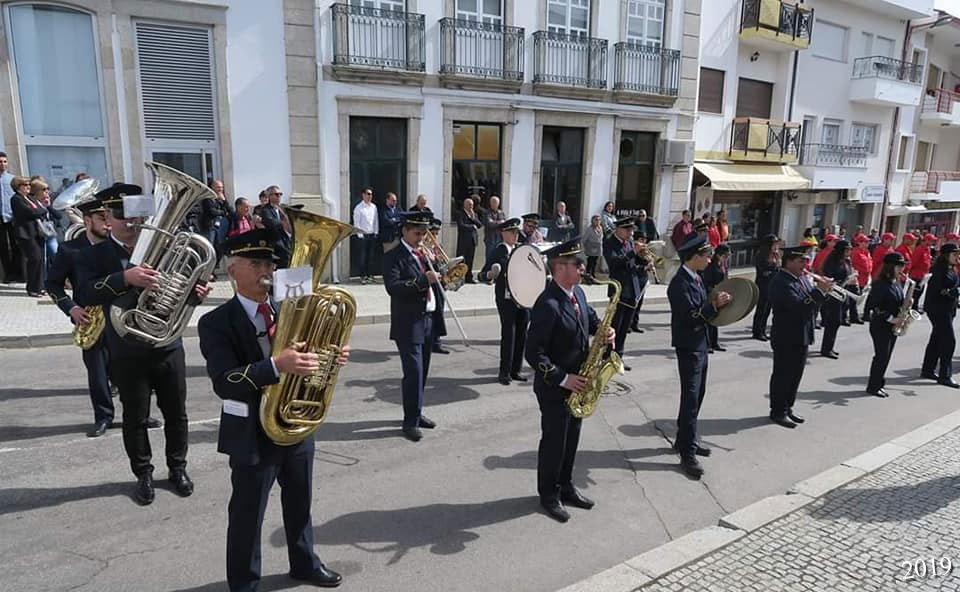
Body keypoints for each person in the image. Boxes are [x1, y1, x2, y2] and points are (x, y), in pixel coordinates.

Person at [198, 229, 349, 591]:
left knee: (300, 503)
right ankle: (244, 584)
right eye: (256, 263)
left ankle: (304, 563)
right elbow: (224, 382)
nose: (266, 270)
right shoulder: (215, 322)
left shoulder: (290, 306)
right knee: (247, 515)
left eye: (269, 263)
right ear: (233, 270)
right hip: (251, 430)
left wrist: (329, 357)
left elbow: (310, 357)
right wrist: (276, 366)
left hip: (296, 424)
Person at [76, 182, 212, 505]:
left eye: (137, 214)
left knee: (176, 414)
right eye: (123, 215)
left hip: (167, 346)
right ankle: (143, 474)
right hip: (126, 350)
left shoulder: (165, 247)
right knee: (135, 417)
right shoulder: (94, 254)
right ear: (107, 216)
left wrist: (196, 292)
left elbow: (181, 290)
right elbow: (83, 294)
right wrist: (125, 279)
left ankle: (177, 468)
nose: (132, 222)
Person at [525, 237, 614, 522]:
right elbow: (533, 352)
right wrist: (563, 379)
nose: (582, 267)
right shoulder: (547, 304)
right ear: (560, 268)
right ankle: (548, 495)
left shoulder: (578, 293)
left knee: (571, 439)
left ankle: (566, 486)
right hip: (557, 388)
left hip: (580, 384)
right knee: (554, 442)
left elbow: (589, 318)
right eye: (577, 264)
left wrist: (604, 331)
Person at [44, 196, 115, 437]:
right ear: (87, 220)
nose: (108, 224)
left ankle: (140, 415)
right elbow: (52, 284)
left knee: (131, 370)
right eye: (101, 219)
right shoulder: (70, 250)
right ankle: (104, 416)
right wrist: (71, 308)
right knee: (97, 373)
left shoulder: (119, 246)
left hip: (120, 316)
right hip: (90, 319)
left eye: (109, 218)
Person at [668, 235, 731, 477]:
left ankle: (686, 439)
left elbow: (703, 309)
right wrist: (713, 306)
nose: (709, 259)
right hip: (689, 346)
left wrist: (718, 304)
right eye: (706, 256)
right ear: (694, 257)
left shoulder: (696, 277)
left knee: (698, 394)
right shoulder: (679, 283)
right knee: (691, 398)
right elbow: (691, 317)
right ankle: (687, 453)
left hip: (700, 344)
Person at [382, 210, 441, 442]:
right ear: (404, 231)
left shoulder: (422, 254)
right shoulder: (393, 256)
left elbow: (434, 280)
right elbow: (393, 287)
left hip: (427, 319)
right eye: (417, 233)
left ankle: (416, 412)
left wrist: (440, 273)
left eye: (424, 233)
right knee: (413, 373)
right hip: (408, 323)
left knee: (423, 371)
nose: (422, 237)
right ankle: (409, 422)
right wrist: (422, 280)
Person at [767, 246, 831, 428]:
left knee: (796, 375)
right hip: (786, 335)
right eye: (801, 261)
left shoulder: (801, 279)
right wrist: (819, 291)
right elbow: (797, 307)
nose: (805, 265)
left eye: (806, 260)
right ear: (789, 262)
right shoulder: (781, 282)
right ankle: (778, 411)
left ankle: (788, 407)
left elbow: (811, 305)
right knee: (783, 375)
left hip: (802, 334)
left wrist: (824, 292)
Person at [480, 218, 529, 385]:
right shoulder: (500, 250)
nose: (515, 235)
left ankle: (516, 369)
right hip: (506, 298)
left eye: (516, 232)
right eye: (512, 232)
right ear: (503, 233)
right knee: (509, 334)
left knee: (522, 334)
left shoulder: (520, 250)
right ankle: (504, 372)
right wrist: (490, 275)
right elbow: (483, 272)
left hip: (522, 297)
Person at [864, 252, 907, 398]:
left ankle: (879, 383)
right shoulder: (879, 284)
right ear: (890, 266)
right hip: (880, 325)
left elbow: (900, 300)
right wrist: (891, 319)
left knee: (886, 356)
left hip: (893, 325)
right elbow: (873, 306)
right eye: (899, 266)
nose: (902, 269)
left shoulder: (897, 282)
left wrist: (907, 306)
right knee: (881, 356)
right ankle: (873, 386)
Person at [603, 217, 643, 370]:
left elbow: (633, 264)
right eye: (628, 230)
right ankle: (607, 357)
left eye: (631, 230)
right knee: (615, 327)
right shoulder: (609, 243)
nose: (630, 233)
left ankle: (618, 358)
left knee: (625, 327)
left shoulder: (630, 243)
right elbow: (615, 262)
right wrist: (634, 252)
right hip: (619, 290)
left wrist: (644, 261)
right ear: (618, 229)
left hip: (633, 289)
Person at [920, 243, 960, 388]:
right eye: (954, 254)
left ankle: (928, 369)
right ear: (946, 255)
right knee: (948, 341)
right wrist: (951, 292)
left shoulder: (951, 268)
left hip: (948, 308)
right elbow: (937, 291)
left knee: (937, 338)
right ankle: (945, 375)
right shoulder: (938, 270)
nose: (957, 257)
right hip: (938, 309)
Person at [10, 175, 46, 296]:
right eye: (25, 185)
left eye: (29, 185)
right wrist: (40, 211)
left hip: (36, 232)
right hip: (25, 233)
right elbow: (30, 212)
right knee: (34, 259)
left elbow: (42, 209)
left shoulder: (30, 198)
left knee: (40, 259)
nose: (28, 187)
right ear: (18, 187)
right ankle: (32, 288)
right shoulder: (16, 199)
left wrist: (41, 210)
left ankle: (40, 287)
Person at [820, 240, 852, 359]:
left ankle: (829, 346)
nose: (849, 252)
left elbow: (848, 273)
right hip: (833, 294)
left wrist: (852, 278)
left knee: (838, 321)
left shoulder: (847, 261)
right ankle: (826, 348)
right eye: (847, 249)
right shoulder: (831, 261)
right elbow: (828, 276)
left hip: (843, 293)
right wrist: (841, 281)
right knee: (833, 321)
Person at [426, 217, 450, 355]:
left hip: (440, 282)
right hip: (430, 284)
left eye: (436, 233)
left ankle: (437, 341)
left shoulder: (438, 247)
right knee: (432, 313)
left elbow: (445, 266)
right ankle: (431, 341)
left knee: (439, 311)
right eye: (432, 233)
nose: (434, 236)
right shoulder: (423, 248)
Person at [752, 234, 781, 341]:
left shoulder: (775, 255)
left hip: (772, 285)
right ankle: (757, 331)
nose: (776, 246)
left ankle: (762, 330)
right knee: (761, 309)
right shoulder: (761, 255)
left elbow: (778, 269)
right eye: (774, 244)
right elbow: (764, 270)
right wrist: (774, 266)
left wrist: (777, 261)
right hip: (762, 285)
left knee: (767, 309)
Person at [29, 177, 59, 278]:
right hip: (39, 233)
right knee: (44, 259)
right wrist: (42, 207)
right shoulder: (32, 203)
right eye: (44, 189)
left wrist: (49, 206)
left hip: (50, 233)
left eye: (48, 189)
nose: (47, 192)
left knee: (56, 254)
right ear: (37, 191)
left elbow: (59, 216)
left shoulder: (49, 201)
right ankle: (44, 281)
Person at [703, 244, 730, 353]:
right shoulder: (711, 266)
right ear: (718, 255)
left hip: (719, 293)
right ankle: (707, 343)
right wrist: (714, 290)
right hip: (711, 293)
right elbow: (707, 281)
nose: (726, 258)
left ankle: (714, 342)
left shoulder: (723, 265)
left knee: (716, 319)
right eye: (725, 256)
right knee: (709, 320)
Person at [0, 151, 22, 283]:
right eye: (0, 162)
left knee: (17, 246)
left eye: (4, 161)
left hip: (13, 217)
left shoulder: (13, 180)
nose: (2, 164)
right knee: (2, 248)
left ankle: (18, 274)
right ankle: (8, 275)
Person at [258, 186, 292, 268]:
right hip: (275, 241)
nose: (279, 196)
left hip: (287, 240)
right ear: (270, 196)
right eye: (276, 194)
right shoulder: (265, 209)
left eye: (280, 194)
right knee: (284, 259)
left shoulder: (283, 208)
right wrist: (284, 222)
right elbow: (271, 222)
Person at [352, 187, 379, 283]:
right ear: (363, 195)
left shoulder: (374, 207)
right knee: (362, 257)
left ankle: (370, 275)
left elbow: (375, 220)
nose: (369, 196)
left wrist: (376, 232)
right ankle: (362, 276)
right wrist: (360, 235)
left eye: (371, 194)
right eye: (368, 194)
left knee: (371, 257)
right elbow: (356, 223)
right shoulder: (358, 208)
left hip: (372, 234)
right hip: (363, 236)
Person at [455, 196, 483, 283]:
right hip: (463, 241)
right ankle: (459, 278)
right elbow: (461, 225)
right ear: (465, 205)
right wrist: (472, 227)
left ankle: (469, 278)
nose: (471, 206)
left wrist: (473, 218)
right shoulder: (460, 213)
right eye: (469, 204)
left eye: (472, 205)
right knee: (461, 260)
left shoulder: (474, 214)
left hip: (472, 240)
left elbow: (479, 225)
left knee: (470, 260)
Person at [849, 234, 873, 324]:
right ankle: (853, 317)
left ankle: (853, 316)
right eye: (865, 242)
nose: (867, 244)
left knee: (858, 298)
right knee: (854, 299)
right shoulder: (855, 252)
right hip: (858, 278)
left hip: (865, 279)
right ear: (859, 243)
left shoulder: (866, 252)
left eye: (868, 242)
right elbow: (852, 265)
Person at [909, 233, 936, 310]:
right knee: (915, 293)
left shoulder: (927, 249)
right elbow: (913, 262)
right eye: (931, 241)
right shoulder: (919, 249)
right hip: (916, 275)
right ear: (926, 240)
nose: (932, 243)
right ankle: (912, 308)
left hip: (923, 275)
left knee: (920, 292)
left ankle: (915, 307)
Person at [482, 195, 505, 260]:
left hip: (499, 238)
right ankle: (488, 270)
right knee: (489, 257)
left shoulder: (501, 213)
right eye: (493, 202)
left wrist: (496, 222)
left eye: (496, 202)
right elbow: (489, 224)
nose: (494, 204)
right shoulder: (487, 212)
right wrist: (500, 222)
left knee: (498, 257)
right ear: (490, 203)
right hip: (490, 239)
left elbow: (504, 224)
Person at [583, 215, 604, 280]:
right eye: (596, 220)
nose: (598, 221)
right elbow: (584, 238)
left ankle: (593, 275)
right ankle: (588, 276)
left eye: (599, 220)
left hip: (598, 248)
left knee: (595, 262)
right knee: (590, 262)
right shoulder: (589, 229)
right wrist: (584, 246)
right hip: (591, 248)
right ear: (592, 221)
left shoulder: (600, 228)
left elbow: (601, 237)